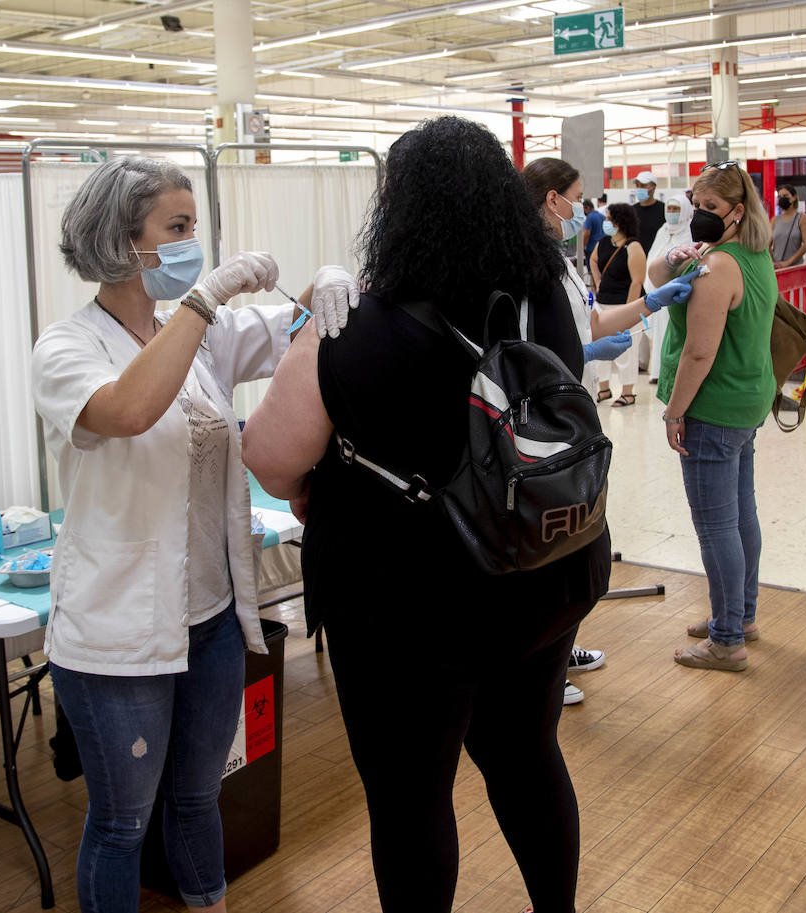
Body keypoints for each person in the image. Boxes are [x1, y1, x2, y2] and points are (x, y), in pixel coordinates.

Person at [241, 117, 612, 913]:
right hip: (544, 572)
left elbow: (271, 460)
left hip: (410, 604)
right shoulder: (546, 301)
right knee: (526, 755)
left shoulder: (353, 330)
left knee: (411, 797)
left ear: (398, 211)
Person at [32, 155, 356, 913]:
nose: (191, 248)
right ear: (122, 240)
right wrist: (206, 300)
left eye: (194, 230)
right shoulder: (66, 349)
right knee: (121, 822)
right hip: (118, 635)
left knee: (198, 797)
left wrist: (329, 274)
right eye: (175, 230)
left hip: (209, 621)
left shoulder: (201, 335)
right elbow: (128, 409)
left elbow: (293, 322)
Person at [520, 157, 696, 706]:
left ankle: (561, 646)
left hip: (576, 416)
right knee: (547, 546)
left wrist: (650, 304)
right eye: (576, 196)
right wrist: (585, 355)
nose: (583, 208)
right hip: (544, 422)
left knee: (573, 538)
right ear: (553, 199)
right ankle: (540, 670)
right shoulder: (524, 264)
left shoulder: (560, 259)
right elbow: (525, 348)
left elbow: (591, 321)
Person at [646, 161, 776, 672]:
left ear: (737, 211)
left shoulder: (719, 267)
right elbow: (656, 278)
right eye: (696, 207)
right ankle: (739, 614)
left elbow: (700, 353)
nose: (700, 216)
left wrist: (674, 412)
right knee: (741, 514)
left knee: (716, 526)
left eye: (711, 209)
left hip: (713, 408)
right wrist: (680, 256)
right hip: (746, 401)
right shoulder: (747, 254)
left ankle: (726, 640)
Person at [589, 202, 647, 407]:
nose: (606, 222)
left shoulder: (633, 247)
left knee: (626, 352)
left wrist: (628, 312)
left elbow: (637, 281)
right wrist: (598, 282)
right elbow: (593, 261)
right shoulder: (604, 242)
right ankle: (603, 388)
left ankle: (628, 392)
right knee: (601, 351)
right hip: (603, 305)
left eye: (608, 218)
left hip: (625, 307)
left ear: (620, 221)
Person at [643, 193, 694, 385]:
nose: (672, 213)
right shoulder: (663, 230)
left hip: (677, 293)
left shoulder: (689, 232)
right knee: (659, 334)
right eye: (670, 209)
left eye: (676, 209)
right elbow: (652, 258)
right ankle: (657, 371)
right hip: (657, 290)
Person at [771, 185, 806, 268]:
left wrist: (788, 262)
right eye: (779, 197)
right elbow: (767, 244)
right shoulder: (775, 220)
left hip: (795, 267)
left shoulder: (802, 218)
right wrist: (772, 261)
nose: (782, 199)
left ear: (794, 197)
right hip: (776, 267)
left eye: (785, 196)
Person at [632, 170, 666, 252]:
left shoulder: (664, 209)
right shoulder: (631, 211)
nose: (639, 188)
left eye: (643, 185)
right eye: (637, 185)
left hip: (657, 256)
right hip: (636, 257)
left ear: (653, 187)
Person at [581, 197, 604, 276]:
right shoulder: (602, 216)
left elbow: (587, 234)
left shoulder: (590, 217)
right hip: (601, 248)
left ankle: (593, 287)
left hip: (591, 248)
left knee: (592, 272)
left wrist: (583, 246)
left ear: (587, 208)